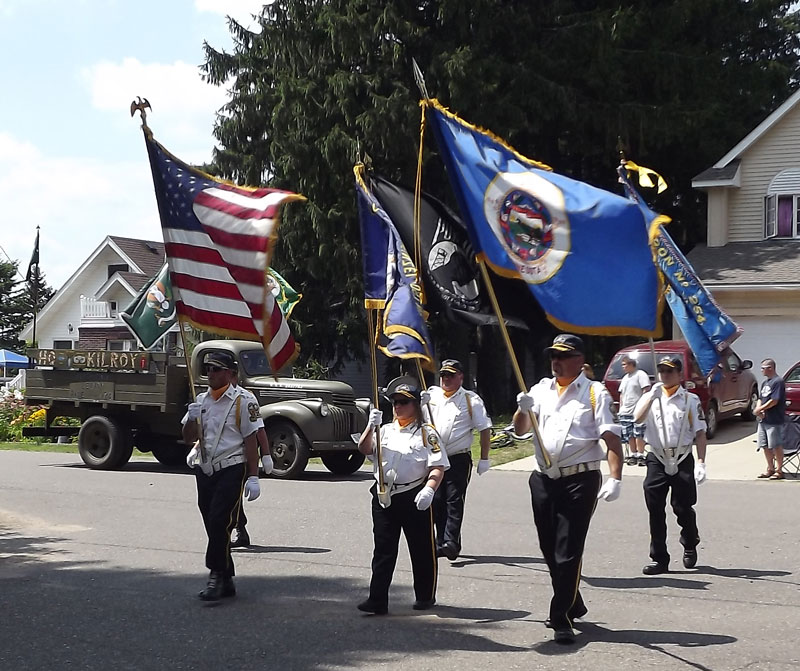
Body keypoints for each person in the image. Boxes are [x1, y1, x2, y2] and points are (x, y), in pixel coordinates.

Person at [513, 334, 624, 644]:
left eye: (563, 355)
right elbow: (520, 430)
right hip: (543, 478)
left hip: (579, 479)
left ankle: (560, 616)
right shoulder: (539, 390)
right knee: (548, 547)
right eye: (553, 355)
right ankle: (572, 599)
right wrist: (522, 409)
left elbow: (611, 438)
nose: (556, 361)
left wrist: (615, 477)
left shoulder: (594, 393)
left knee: (568, 549)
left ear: (579, 360)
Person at [356, 376, 449, 615]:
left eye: (404, 402)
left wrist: (430, 489)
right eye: (395, 402)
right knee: (383, 549)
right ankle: (377, 599)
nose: (398, 406)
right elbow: (365, 449)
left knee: (421, 549)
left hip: (413, 494)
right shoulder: (384, 430)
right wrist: (370, 426)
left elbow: (437, 466)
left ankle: (425, 595)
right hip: (384, 495)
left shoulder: (426, 433)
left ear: (416, 405)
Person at [182, 351, 270, 601]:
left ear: (230, 373)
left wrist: (254, 475)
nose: (210, 373)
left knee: (220, 520)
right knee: (211, 523)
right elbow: (188, 437)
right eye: (208, 369)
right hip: (206, 468)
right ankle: (227, 577)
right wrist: (192, 419)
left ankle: (215, 574)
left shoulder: (243, 400)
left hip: (232, 466)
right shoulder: (201, 400)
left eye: (216, 369)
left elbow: (251, 438)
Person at [633, 355, 707, 575]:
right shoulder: (651, 397)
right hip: (657, 456)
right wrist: (650, 397)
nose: (665, 375)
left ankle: (690, 541)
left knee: (682, 507)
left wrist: (701, 462)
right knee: (655, 508)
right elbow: (637, 419)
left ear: (679, 374)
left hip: (682, 456)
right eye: (662, 371)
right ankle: (659, 558)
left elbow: (700, 433)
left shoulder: (689, 399)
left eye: (670, 371)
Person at [420, 359, 492, 561]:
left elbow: (484, 429)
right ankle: (440, 541)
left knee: (453, 499)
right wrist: (420, 404)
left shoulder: (470, 399)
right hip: (435, 457)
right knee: (436, 500)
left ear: (460, 377)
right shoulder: (431, 395)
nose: (446, 379)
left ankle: (451, 542)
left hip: (458, 456)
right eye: (443, 375)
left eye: (451, 375)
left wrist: (484, 458)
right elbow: (418, 422)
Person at [231, 426, 273, 548]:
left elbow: (259, 429)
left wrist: (266, 455)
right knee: (231, 499)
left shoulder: (245, 411)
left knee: (231, 498)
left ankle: (234, 531)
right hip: (219, 458)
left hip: (240, 458)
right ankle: (240, 530)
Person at [755, 358, 786, 480]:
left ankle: (779, 470)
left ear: (770, 368)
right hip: (763, 420)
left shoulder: (778, 382)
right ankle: (770, 468)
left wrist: (761, 408)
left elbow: (774, 400)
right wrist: (758, 409)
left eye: (763, 368)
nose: (761, 370)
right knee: (764, 445)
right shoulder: (765, 383)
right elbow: (760, 398)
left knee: (776, 445)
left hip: (774, 420)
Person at [618, 356, 651, 466]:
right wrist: (621, 408)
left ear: (632, 364)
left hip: (637, 411)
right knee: (629, 434)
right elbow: (622, 394)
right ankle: (633, 454)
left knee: (639, 433)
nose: (623, 367)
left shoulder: (640, 374)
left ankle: (640, 454)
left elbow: (646, 390)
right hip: (625, 411)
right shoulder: (625, 378)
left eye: (625, 364)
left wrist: (643, 406)